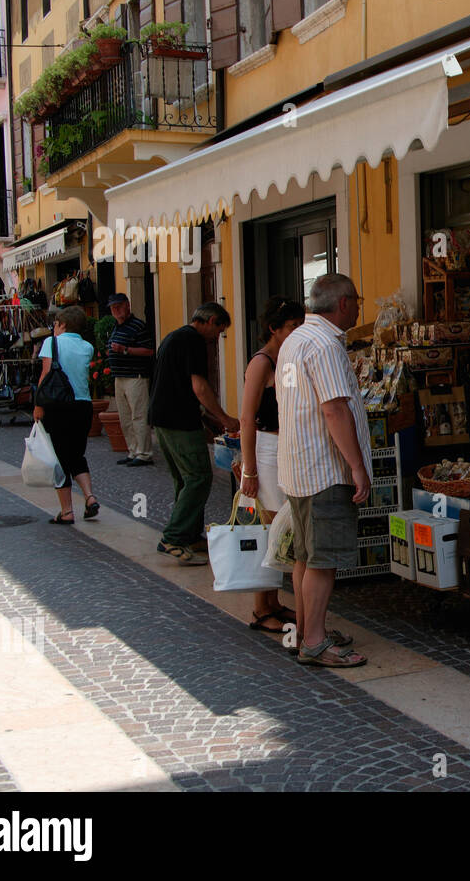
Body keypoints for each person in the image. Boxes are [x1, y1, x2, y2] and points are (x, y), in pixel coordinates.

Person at [278, 274, 370, 668]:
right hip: (323, 470)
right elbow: (333, 409)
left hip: (299, 467)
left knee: (306, 556)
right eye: (358, 301)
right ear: (344, 303)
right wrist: (356, 466)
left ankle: (306, 629)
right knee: (322, 561)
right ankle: (314, 642)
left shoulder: (295, 340)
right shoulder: (324, 345)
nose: (359, 308)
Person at [150, 302, 238, 565]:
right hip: (178, 420)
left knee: (185, 480)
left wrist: (208, 420)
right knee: (198, 477)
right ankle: (174, 538)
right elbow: (199, 387)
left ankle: (189, 535)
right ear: (211, 321)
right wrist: (225, 418)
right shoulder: (194, 341)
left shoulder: (173, 337)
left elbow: (175, 384)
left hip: (163, 417)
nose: (217, 339)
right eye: (219, 331)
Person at [238, 296, 305, 634]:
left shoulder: (288, 358)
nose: (297, 331)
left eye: (299, 325)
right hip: (266, 449)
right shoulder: (261, 362)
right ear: (274, 329)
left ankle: (273, 601)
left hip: (284, 447)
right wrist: (248, 469)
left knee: (282, 526)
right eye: (292, 326)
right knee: (270, 527)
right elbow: (247, 418)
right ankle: (260, 608)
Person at [34, 306, 100, 525]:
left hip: (57, 406)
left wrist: (38, 404)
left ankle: (67, 511)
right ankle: (89, 497)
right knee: (76, 455)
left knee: (59, 458)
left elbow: (45, 375)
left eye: (56, 323)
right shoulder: (87, 346)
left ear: (62, 324)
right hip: (83, 405)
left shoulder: (51, 343)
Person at [105, 293, 156, 466]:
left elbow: (149, 351)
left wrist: (125, 350)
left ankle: (144, 453)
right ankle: (133, 450)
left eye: (119, 306)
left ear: (127, 305)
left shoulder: (138, 326)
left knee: (139, 415)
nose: (116, 310)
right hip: (120, 377)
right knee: (125, 417)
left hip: (136, 376)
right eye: (113, 308)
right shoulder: (116, 326)